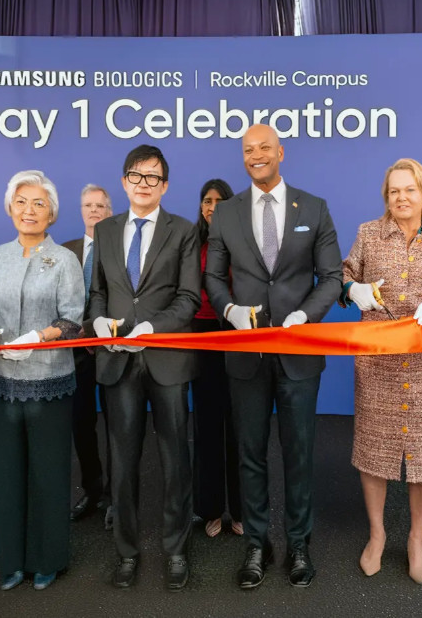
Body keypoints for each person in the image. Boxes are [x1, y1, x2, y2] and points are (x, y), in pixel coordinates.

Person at [205, 124, 343, 589]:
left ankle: (299, 544)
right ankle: (257, 545)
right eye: (248, 150)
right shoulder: (225, 213)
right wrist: (227, 309)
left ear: (280, 152)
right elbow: (215, 278)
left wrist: (306, 315)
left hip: (298, 353)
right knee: (250, 454)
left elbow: (331, 278)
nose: (256, 155)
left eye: (264, 148)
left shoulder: (316, 207)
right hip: (245, 353)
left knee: (299, 453)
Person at [341, 158, 422, 584]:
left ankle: (416, 537)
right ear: (386, 196)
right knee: (373, 452)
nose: (401, 197)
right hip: (376, 361)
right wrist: (351, 289)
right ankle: (377, 534)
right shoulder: (367, 234)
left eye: (409, 190)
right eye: (394, 191)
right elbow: (344, 275)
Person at [89, 144, 200, 590]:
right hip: (116, 361)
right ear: (124, 181)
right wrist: (97, 320)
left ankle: (175, 549)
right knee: (123, 458)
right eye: (136, 176)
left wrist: (152, 326)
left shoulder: (184, 231)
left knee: (176, 459)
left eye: (153, 178)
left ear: (165, 185)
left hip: (166, 359)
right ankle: (127, 551)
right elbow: (98, 291)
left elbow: (189, 299)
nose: (143, 184)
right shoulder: (107, 230)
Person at [0, 170, 84, 591]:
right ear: (10, 207)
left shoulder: (66, 261)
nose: (29, 210)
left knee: (48, 471)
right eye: (22, 201)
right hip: (2, 378)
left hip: (48, 378)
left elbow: (73, 318)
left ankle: (47, 558)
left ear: (52, 213)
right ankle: (12, 560)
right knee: (5, 473)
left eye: (39, 203)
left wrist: (39, 337)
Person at [61, 183, 114, 529]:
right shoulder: (66, 252)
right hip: (74, 353)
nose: (94, 210)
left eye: (100, 205)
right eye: (88, 205)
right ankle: (94, 489)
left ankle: (117, 495)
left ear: (110, 210)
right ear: (81, 210)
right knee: (82, 425)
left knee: (117, 426)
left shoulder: (121, 248)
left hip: (111, 350)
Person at [192, 178, 243, 538]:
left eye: (219, 201)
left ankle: (240, 510)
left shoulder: (240, 243)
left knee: (240, 425)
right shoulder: (191, 245)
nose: (212, 207)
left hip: (236, 333)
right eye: (206, 201)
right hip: (201, 335)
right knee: (207, 425)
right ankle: (210, 508)